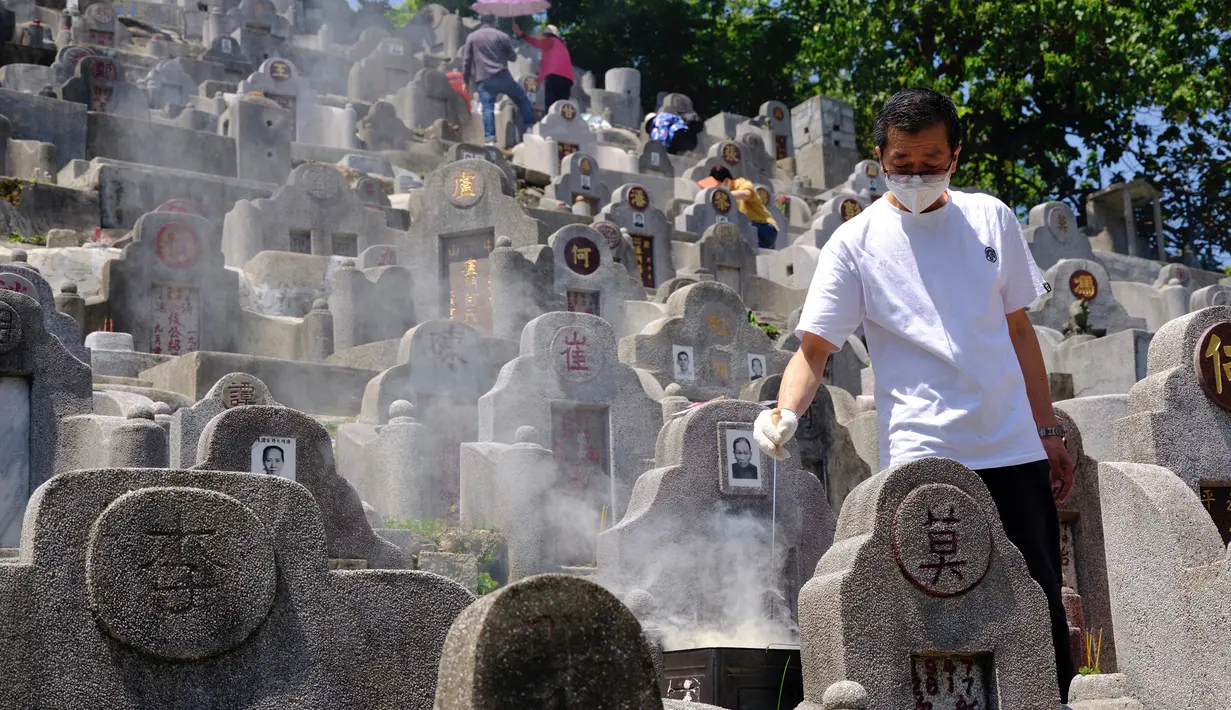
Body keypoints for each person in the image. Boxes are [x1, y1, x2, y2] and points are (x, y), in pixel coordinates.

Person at [752, 88, 1076, 704]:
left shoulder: (990, 219)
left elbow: (1018, 332)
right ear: (879, 158)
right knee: (933, 604)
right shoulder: (855, 243)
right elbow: (815, 349)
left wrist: (1048, 431)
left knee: (1035, 601)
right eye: (903, 163)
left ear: (956, 154)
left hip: (1010, 446)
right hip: (924, 450)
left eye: (932, 162)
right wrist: (785, 412)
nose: (917, 175)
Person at [461, 14, 536, 146]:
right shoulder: (502, 36)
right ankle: (530, 127)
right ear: (494, 22)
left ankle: (490, 140)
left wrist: (465, 81)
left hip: (484, 78)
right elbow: (513, 58)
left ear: (481, 21)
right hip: (503, 76)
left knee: (487, 108)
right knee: (522, 98)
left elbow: (466, 61)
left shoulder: (472, 37)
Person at [710, 166, 778, 249]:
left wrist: (726, 194)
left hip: (765, 227)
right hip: (748, 228)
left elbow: (746, 194)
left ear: (726, 181)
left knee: (742, 228)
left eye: (718, 186)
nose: (718, 191)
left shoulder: (743, 183)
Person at [513, 23, 573, 110]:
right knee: (561, 108)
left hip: (555, 79)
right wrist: (539, 79)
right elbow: (546, 65)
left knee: (551, 109)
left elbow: (536, 43)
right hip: (567, 81)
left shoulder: (550, 40)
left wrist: (521, 33)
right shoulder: (562, 45)